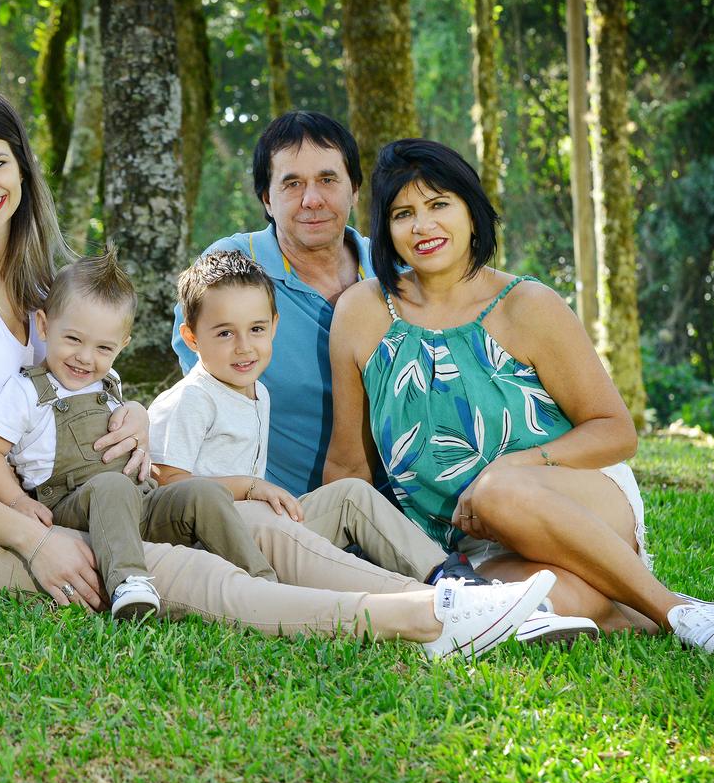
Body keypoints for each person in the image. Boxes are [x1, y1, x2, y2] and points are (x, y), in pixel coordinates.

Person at [0, 84, 560, 661]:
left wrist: (133, 413)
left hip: (71, 497)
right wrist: (38, 540)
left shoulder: (37, 289)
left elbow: (76, 385)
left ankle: (451, 593)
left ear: (22, 169)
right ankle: (422, 622)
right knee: (191, 567)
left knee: (257, 524)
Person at [325, 137, 714, 651]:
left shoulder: (527, 305)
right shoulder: (363, 312)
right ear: (385, 230)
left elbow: (614, 430)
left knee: (501, 493)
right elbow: (348, 463)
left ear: (471, 212)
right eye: (403, 213)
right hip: (464, 544)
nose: (422, 226)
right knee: (521, 600)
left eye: (438, 204)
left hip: (573, 498)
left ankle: (679, 613)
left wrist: (514, 468)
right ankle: (642, 615)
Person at [151, 248, 599, 645]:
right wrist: (250, 487)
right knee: (274, 519)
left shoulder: (256, 391)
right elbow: (172, 487)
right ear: (192, 338)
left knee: (353, 495)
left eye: (256, 329)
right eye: (224, 333)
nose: (244, 347)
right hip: (208, 536)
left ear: (275, 327)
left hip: (255, 522)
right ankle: (436, 606)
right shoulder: (194, 398)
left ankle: (455, 578)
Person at [0, 248, 277, 621]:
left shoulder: (108, 383)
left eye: (103, 347)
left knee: (204, 491)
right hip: (72, 507)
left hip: (139, 504)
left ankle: (263, 581)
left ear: (122, 347)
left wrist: (136, 412)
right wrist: (17, 503)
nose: (86, 358)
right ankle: (129, 584)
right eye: (73, 339)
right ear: (44, 325)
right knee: (110, 486)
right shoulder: (26, 393)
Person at [172, 111, 373, 498]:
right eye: (292, 184)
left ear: (354, 190)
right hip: (279, 508)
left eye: (328, 180)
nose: (312, 200)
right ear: (267, 198)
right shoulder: (230, 270)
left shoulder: (393, 267)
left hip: (407, 499)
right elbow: (205, 396)